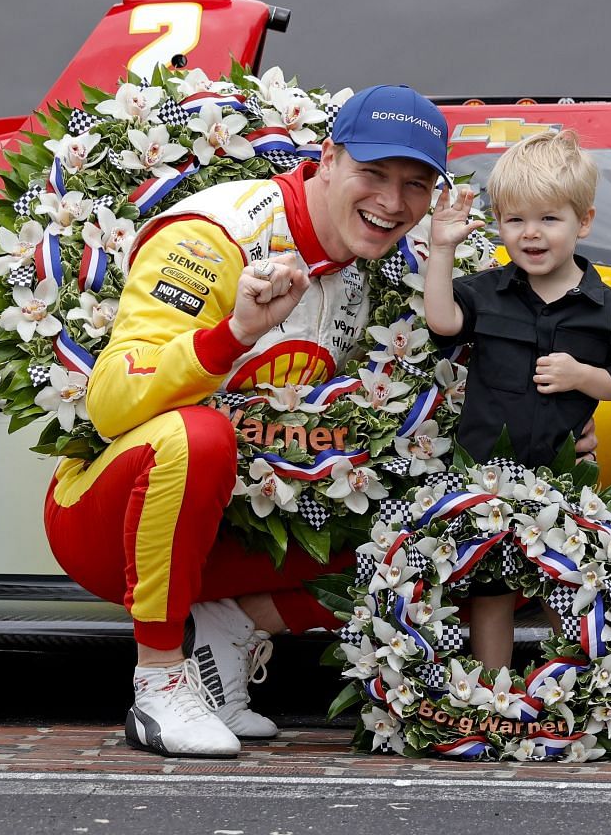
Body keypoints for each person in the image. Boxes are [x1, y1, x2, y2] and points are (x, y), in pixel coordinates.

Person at [44, 84, 450, 758]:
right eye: (373, 174)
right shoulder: (215, 235)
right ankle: (160, 683)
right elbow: (111, 403)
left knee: (449, 527)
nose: (392, 202)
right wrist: (232, 333)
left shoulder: (362, 267)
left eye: (415, 185)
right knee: (199, 435)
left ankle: (231, 629)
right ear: (326, 158)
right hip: (105, 520)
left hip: (231, 532)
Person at [422, 129, 611, 672]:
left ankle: (572, 693)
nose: (531, 234)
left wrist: (581, 376)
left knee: (566, 582)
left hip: (562, 476)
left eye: (549, 219)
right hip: (487, 477)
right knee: (491, 589)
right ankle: (493, 694)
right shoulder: (484, 292)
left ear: (584, 222)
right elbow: (442, 321)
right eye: (515, 220)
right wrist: (442, 249)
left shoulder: (607, 309)